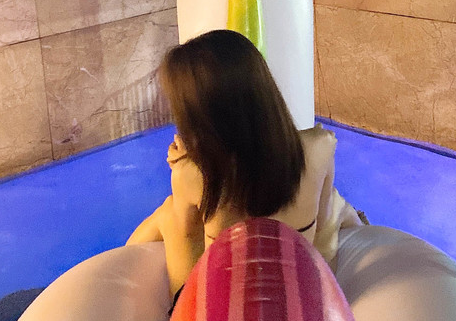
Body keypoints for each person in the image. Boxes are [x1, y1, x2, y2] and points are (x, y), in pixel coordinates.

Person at [128, 29, 363, 297]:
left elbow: (188, 239)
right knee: (334, 203)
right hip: (300, 287)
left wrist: (186, 165)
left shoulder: (191, 175)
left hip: (227, 300)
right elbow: (322, 231)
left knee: (169, 214)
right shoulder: (321, 146)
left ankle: (123, 259)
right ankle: (363, 224)